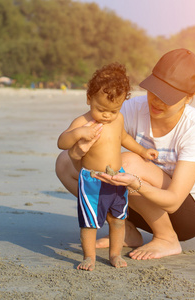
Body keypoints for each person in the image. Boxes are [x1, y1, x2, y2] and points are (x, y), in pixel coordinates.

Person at [55, 49, 195, 261]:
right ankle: (124, 228)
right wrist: (76, 155)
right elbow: (84, 156)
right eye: (154, 91)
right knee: (64, 162)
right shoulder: (131, 109)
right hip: (139, 203)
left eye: (168, 97)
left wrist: (134, 183)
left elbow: (174, 201)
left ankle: (166, 237)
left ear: (188, 97)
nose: (157, 101)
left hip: (185, 214)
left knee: (126, 163)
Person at [57, 63, 158, 271]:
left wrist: (142, 151)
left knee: (118, 220)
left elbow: (125, 138)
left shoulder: (118, 119)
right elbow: (62, 142)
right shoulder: (83, 122)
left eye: (113, 110)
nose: (107, 115)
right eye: (101, 109)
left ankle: (114, 254)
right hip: (92, 180)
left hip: (117, 178)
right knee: (89, 223)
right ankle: (89, 257)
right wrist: (78, 134)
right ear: (89, 99)